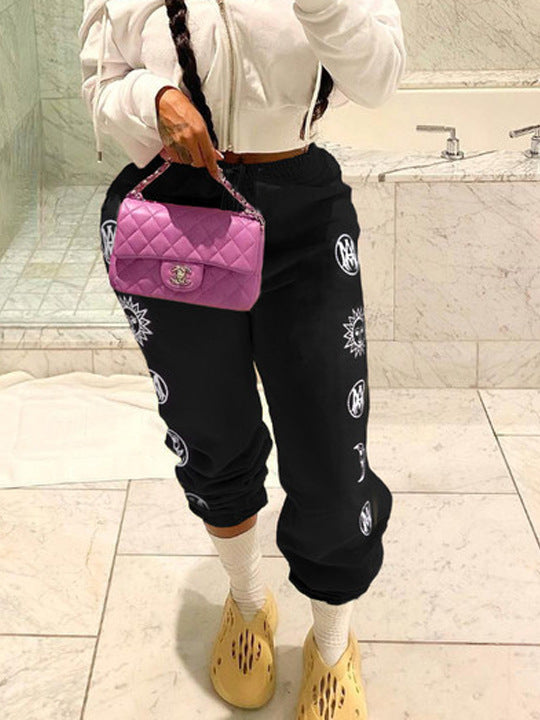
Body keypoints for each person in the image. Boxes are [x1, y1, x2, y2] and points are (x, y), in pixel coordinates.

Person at [78, 1, 406, 717]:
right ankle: (249, 601)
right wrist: (152, 98)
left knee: (331, 448)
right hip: (172, 216)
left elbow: (380, 77)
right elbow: (99, 84)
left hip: (303, 212)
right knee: (209, 429)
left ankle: (332, 642)